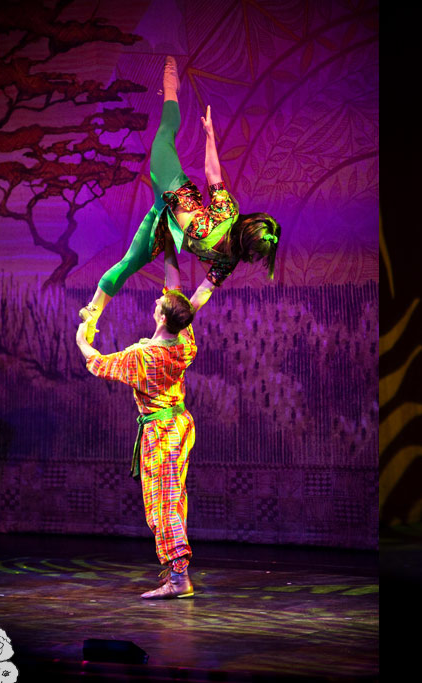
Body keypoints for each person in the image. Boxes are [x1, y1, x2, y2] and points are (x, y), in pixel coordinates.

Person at [78, 55, 280, 343]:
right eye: (255, 254)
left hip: (164, 224)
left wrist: (180, 324)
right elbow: (213, 174)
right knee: (165, 133)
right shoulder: (226, 212)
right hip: (170, 184)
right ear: (245, 239)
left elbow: (202, 293)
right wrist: (209, 135)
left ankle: (92, 313)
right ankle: (171, 86)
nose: (251, 259)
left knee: (128, 263)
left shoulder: (228, 261)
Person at [76, 233, 197, 599]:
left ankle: (179, 577)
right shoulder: (184, 341)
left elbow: (98, 363)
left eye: (160, 302)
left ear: (161, 317)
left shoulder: (142, 357)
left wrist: (82, 337)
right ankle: (175, 571)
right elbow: (174, 290)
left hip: (161, 432)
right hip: (178, 425)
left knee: (163, 501)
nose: (157, 299)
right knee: (171, 497)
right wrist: (170, 247)